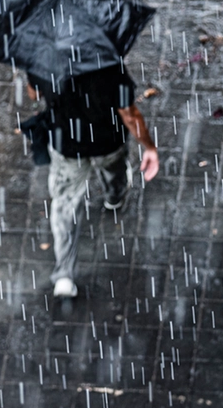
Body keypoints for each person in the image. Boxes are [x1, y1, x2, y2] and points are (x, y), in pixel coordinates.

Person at [28, 63, 159, 298]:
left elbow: (33, 92)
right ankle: (114, 198)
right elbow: (128, 113)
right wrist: (148, 146)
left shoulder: (43, 59)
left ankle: (65, 276)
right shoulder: (106, 64)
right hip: (107, 141)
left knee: (65, 205)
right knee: (114, 171)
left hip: (66, 145)